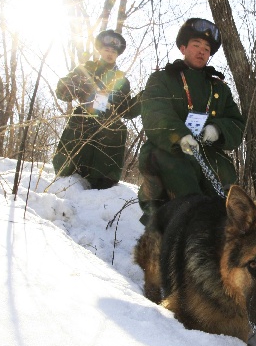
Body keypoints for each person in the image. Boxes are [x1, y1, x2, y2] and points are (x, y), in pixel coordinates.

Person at [138, 18, 245, 224]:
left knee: (223, 212)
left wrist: (217, 129)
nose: (202, 51)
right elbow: (154, 113)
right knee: (182, 200)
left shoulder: (219, 89)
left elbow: (236, 124)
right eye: (196, 45)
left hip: (210, 158)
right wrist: (179, 136)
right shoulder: (163, 79)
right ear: (183, 48)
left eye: (207, 48)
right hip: (169, 152)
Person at [53, 29, 141, 189]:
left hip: (109, 128)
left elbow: (127, 111)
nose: (110, 53)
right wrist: (73, 84)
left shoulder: (122, 80)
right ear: (100, 50)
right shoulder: (86, 69)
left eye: (113, 51)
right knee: (67, 173)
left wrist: (145, 97)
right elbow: (63, 92)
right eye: (106, 49)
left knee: (116, 129)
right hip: (83, 120)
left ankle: (103, 184)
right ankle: (66, 176)